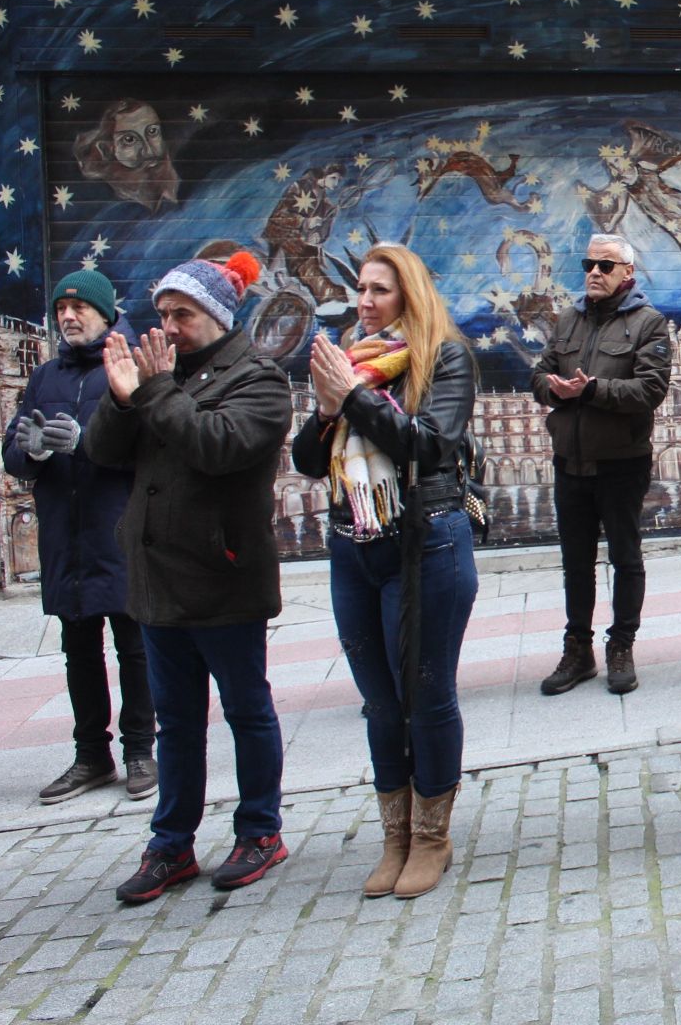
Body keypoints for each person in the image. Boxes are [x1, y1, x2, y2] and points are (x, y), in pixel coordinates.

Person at [84, 252, 294, 904]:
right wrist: (124, 403)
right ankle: (170, 844)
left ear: (217, 316)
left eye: (184, 314)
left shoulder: (258, 378)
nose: (169, 326)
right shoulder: (158, 376)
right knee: (175, 721)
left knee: (245, 710)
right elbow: (100, 453)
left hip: (223, 577)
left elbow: (217, 446)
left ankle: (260, 830)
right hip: (156, 580)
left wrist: (153, 391)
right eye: (164, 313)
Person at [291, 243, 479, 901]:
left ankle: (432, 836)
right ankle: (394, 836)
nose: (365, 303)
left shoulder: (444, 358)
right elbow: (309, 464)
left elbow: (429, 444)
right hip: (353, 546)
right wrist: (324, 409)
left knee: (426, 697)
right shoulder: (351, 364)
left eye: (379, 291)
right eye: (361, 291)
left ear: (410, 297)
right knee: (379, 703)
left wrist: (354, 399)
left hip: (426, 542)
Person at [2, 270, 156, 806]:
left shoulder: (133, 363)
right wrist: (33, 452)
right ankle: (92, 755)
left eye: (79, 307)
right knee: (79, 650)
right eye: (61, 308)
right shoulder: (46, 376)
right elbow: (13, 451)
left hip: (119, 531)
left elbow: (154, 445)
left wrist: (87, 444)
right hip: (66, 539)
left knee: (135, 646)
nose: (68, 316)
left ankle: (141, 750)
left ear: (106, 312)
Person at [532, 233, 674, 697]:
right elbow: (539, 372)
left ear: (626, 274)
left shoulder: (649, 324)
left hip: (621, 461)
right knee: (576, 562)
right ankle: (578, 649)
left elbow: (650, 391)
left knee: (625, 558)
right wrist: (552, 389)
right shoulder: (568, 318)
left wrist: (591, 391)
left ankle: (621, 645)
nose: (594, 271)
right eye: (589, 263)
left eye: (605, 265)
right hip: (569, 460)